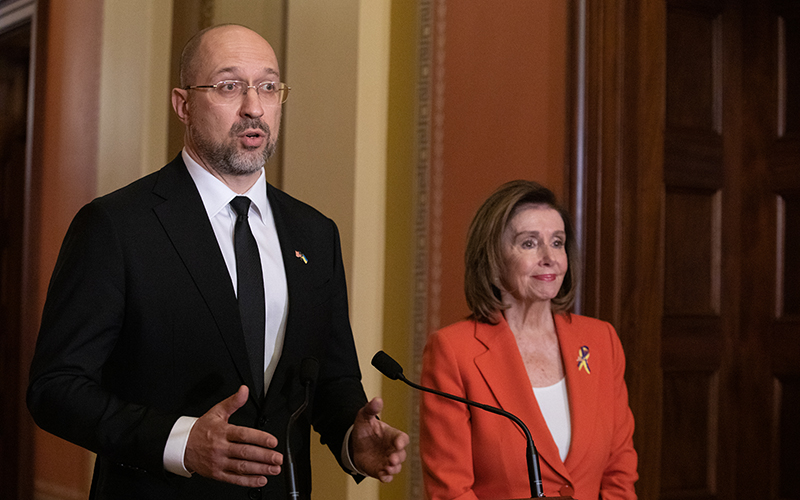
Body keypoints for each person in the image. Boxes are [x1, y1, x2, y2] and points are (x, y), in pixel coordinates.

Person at [27, 24, 408, 499]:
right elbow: (56, 388)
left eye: (268, 87)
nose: (254, 107)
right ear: (183, 104)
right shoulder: (117, 226)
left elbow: (330, 378)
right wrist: (180, 443)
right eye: (229, 87)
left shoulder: (314, 232)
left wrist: (353, 440)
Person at [419, 180, 637, 499]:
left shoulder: (600, 340)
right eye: (529, 243)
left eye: (558, 242)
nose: (549, 257)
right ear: (493, 260)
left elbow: (620, 470)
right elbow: (451, 488)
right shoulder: (453, 351)